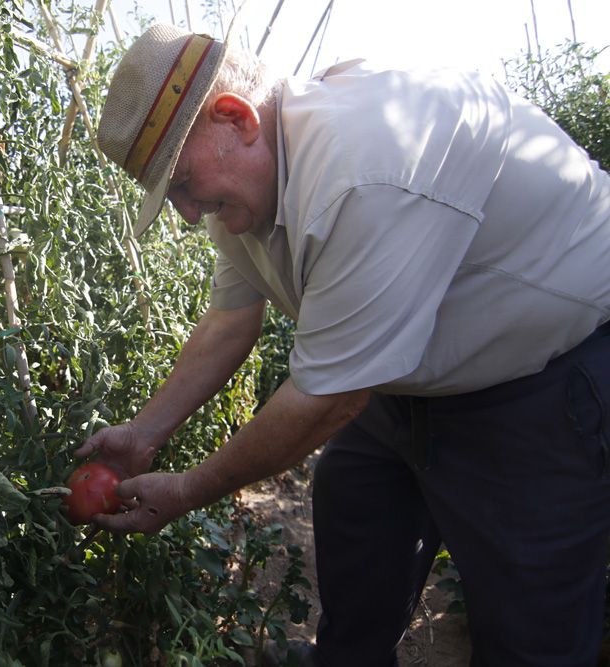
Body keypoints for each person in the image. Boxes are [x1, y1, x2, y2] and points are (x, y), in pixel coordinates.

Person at [79, 21, 610, 667]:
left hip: (542, 385)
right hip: (400, 380)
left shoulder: (365, 166)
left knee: (530, 630)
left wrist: (188, 490)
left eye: (183, 183)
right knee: (358, 531)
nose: (189, 213)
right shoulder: (246, 194)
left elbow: (326, 399)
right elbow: (229, 322)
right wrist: (145, 432)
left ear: (236, 117)